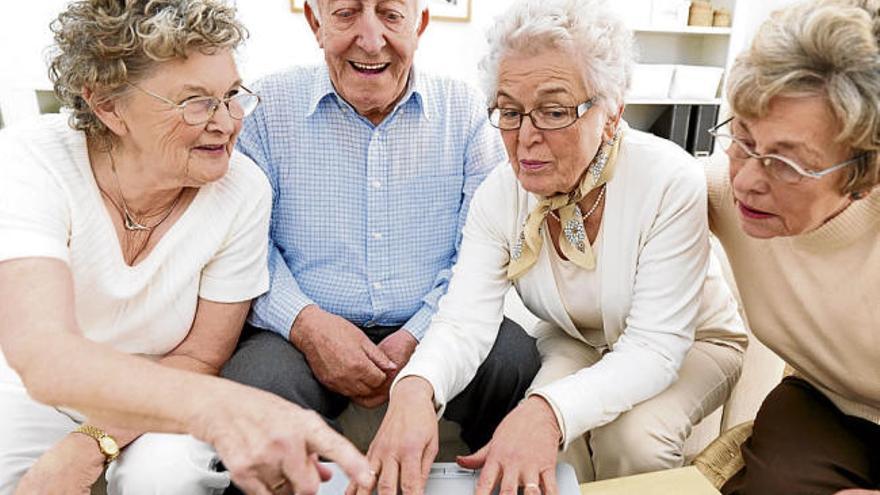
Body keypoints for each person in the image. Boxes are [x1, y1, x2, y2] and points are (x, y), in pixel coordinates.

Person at [360, 1, 748, 493]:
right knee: (542, 447)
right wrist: (416, 389)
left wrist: (547, 411)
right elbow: (463, 321)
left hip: (693, 340)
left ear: (611, 113)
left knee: (632, 441)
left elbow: (654, 346)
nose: (526, 138)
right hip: (576, 338)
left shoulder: (667, 180)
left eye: (554, 111)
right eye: (510, 111)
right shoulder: (499, 195)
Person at [0, 1, 371, 494]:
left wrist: (91, 442)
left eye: (232, 95)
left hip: (164, 395)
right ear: (108, 104)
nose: (227, 122)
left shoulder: (243, 191)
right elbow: (46, 357)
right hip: (31, 391)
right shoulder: (32, 161)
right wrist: (232, 408)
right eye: (196, 101)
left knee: (168, 476)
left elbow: (198, 356)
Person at [220, 0, 541, 456]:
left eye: (390, 14)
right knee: (252, 383)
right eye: (347, 13)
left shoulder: (466, 112)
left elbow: (479, 252)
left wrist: (419, 334)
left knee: (515, 360)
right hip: (302, 329)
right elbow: (246, 245)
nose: (370, 40)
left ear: (419, 24)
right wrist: (308, 326)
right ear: (315, 22)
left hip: (437, 322)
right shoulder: (266, 110)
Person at [705, 1, 880, 493]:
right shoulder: (726, 188)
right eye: (741, 138)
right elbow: (639, 178)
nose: (746, 180)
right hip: (824, 402)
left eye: (787, 164)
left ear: (863, 176)